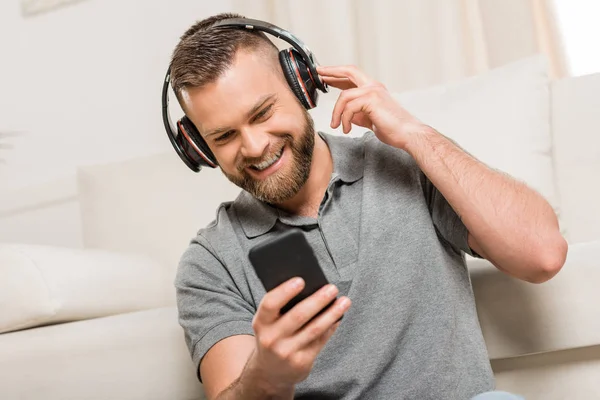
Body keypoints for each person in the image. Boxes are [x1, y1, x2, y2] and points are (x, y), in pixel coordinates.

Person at [168, 12, 567, 400]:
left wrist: (414, 133)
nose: (254, 147)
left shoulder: (406, 165)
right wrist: (267, 373)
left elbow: (543, 255)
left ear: (301, 86)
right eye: (224, 136)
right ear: (201, 149)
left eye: (262, 112)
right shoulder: (210, 262)